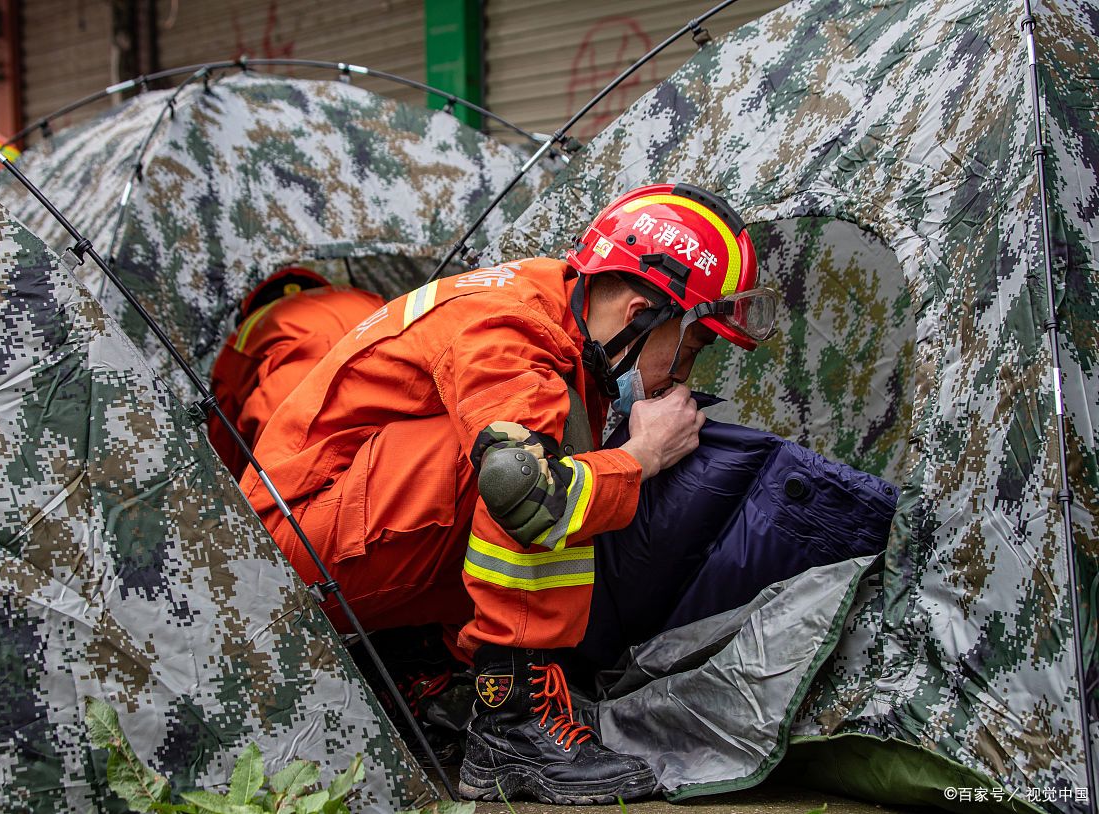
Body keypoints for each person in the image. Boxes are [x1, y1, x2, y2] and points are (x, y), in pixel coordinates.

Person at [239, 183, 780, 804]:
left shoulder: (558, 316)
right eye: (692, 346)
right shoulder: (512, 327)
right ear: (639, 315)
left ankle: (423, 668)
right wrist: (642, 455)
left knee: (538, 450)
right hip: (282, 564)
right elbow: (527, 497)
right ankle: (513, 723)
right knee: (524, 465)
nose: (684, 374)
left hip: (326, 538)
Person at [208, 266, 384, 477]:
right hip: (382, 371)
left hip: (294, 399)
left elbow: (225, 430)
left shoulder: (246, 331)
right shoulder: (364, 297)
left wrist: (235, 480)